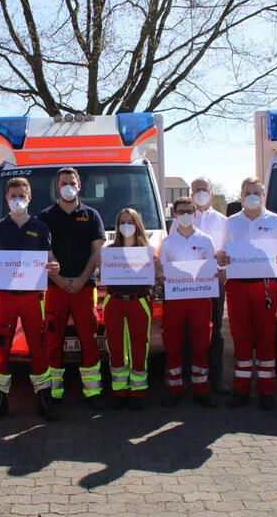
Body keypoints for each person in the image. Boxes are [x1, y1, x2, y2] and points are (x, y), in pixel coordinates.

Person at [0, 177, 60, 422]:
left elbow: (49, 257)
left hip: (33, 296)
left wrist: (54, 266)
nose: (18, 200)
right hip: (5, 297)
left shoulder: (41, 227)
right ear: (6, 198)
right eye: (13, 196)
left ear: (30, 197)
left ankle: (44, 398)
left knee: (39, 345)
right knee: (1, 346)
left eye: (22, 196)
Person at [215, 177, 277, 410]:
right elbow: (222, 250)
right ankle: (240, 390)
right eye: (247, 192)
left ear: (263, 195)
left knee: (265, 339)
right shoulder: (231, 223)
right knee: (240, 338)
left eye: (256, 192)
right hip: (237, 285)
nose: (251, 196)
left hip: (266, 286)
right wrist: (220, 257)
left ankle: (266, 391)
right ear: (240, 195)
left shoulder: (276, 221)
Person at [38, 167, 106, 409]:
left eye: (72, 182)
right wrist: (60, 280)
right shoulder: (45, 216)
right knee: (53, 338)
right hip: (54, 289)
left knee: (89, 337)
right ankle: (54, 393)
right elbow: (44, 251)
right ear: (57, 186)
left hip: (84, 288)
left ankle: (93, 392)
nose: (68, 186)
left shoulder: (91, 215)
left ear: (79, 186)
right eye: (64, 182)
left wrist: (80, 279)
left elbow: (97, 251)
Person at [169, 177, 229, 395]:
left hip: (213, 283)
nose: (200, 193)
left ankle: (216, 378)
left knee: (215, 331)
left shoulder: (223, 221)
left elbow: (228, 253)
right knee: (187, 331)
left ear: (211, 193)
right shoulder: (179, 221)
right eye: (196, 191)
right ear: (191, 194)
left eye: (203, 190)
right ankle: (187, 378)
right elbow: (173, 252)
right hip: (185, 285)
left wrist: (225, 274)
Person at [158, 196, 218, 408]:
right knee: (173, 342)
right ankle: (174, 388)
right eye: (180, 211)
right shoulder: (167, 242)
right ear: (174, 215)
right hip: (175, 299)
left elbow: (212, 269)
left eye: (188, 211)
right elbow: (163, 271)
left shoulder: (206, 240)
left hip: (200, 298)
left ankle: (201, 389)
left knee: (202, 343)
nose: (185, 215)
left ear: (195, 213)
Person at [102, 208, 157, 410]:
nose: (126, 226)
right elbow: (102, 277)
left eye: (130, 222)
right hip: (114, 301)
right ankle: (119, 391)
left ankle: (138, 392)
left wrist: (156, 268)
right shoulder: (109, 250)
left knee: (139, 345)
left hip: (139, 300)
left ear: (138, 225)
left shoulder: (147, 250)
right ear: (117, 227)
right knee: (114, 345)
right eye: (122, 222)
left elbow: (153, 278)